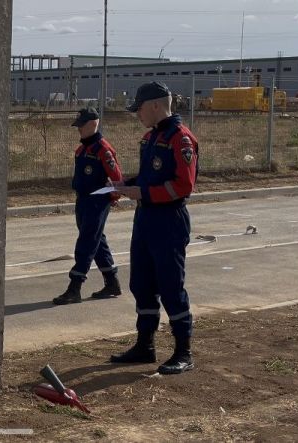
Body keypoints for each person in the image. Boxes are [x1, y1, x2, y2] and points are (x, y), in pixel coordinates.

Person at [109, 81, 200, 374]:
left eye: (140, 110)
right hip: (146, 219)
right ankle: (144, 345)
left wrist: (144, 193)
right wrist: (127, 185)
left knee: (171, 285)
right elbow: (150, 178)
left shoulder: (181, 139)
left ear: (156, 106)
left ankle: (183, 351)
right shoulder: (150, 138)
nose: (138, 115)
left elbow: (183, 186)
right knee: (142, 284)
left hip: (168, 220)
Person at [53, 107, 124, 305]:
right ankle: (112, 282)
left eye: (81, 126)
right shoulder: (82, 149)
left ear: (93, 124)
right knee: (96, 241)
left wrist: (115, 195)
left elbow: (117, 177)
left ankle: (74, 287)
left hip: (97, 201)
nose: (79, 129)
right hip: (83, 201)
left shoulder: (103, 149)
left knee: (86, 242)